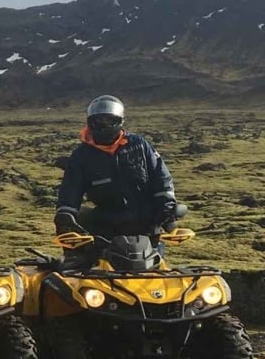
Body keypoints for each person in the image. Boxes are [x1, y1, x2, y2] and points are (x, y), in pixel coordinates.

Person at [54, 95, 177, 257]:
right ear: (89, 123)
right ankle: (74, 264)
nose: (103, 126)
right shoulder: (81, 155)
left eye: (109, 121)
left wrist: (167, 209)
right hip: (105, 224)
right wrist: (65, 216)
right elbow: (70, 189)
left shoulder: (139, 145)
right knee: (86, 269)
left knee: (155, 272)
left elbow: (161, 178)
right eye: (97, 122)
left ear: (120, 122)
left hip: (146, 224)